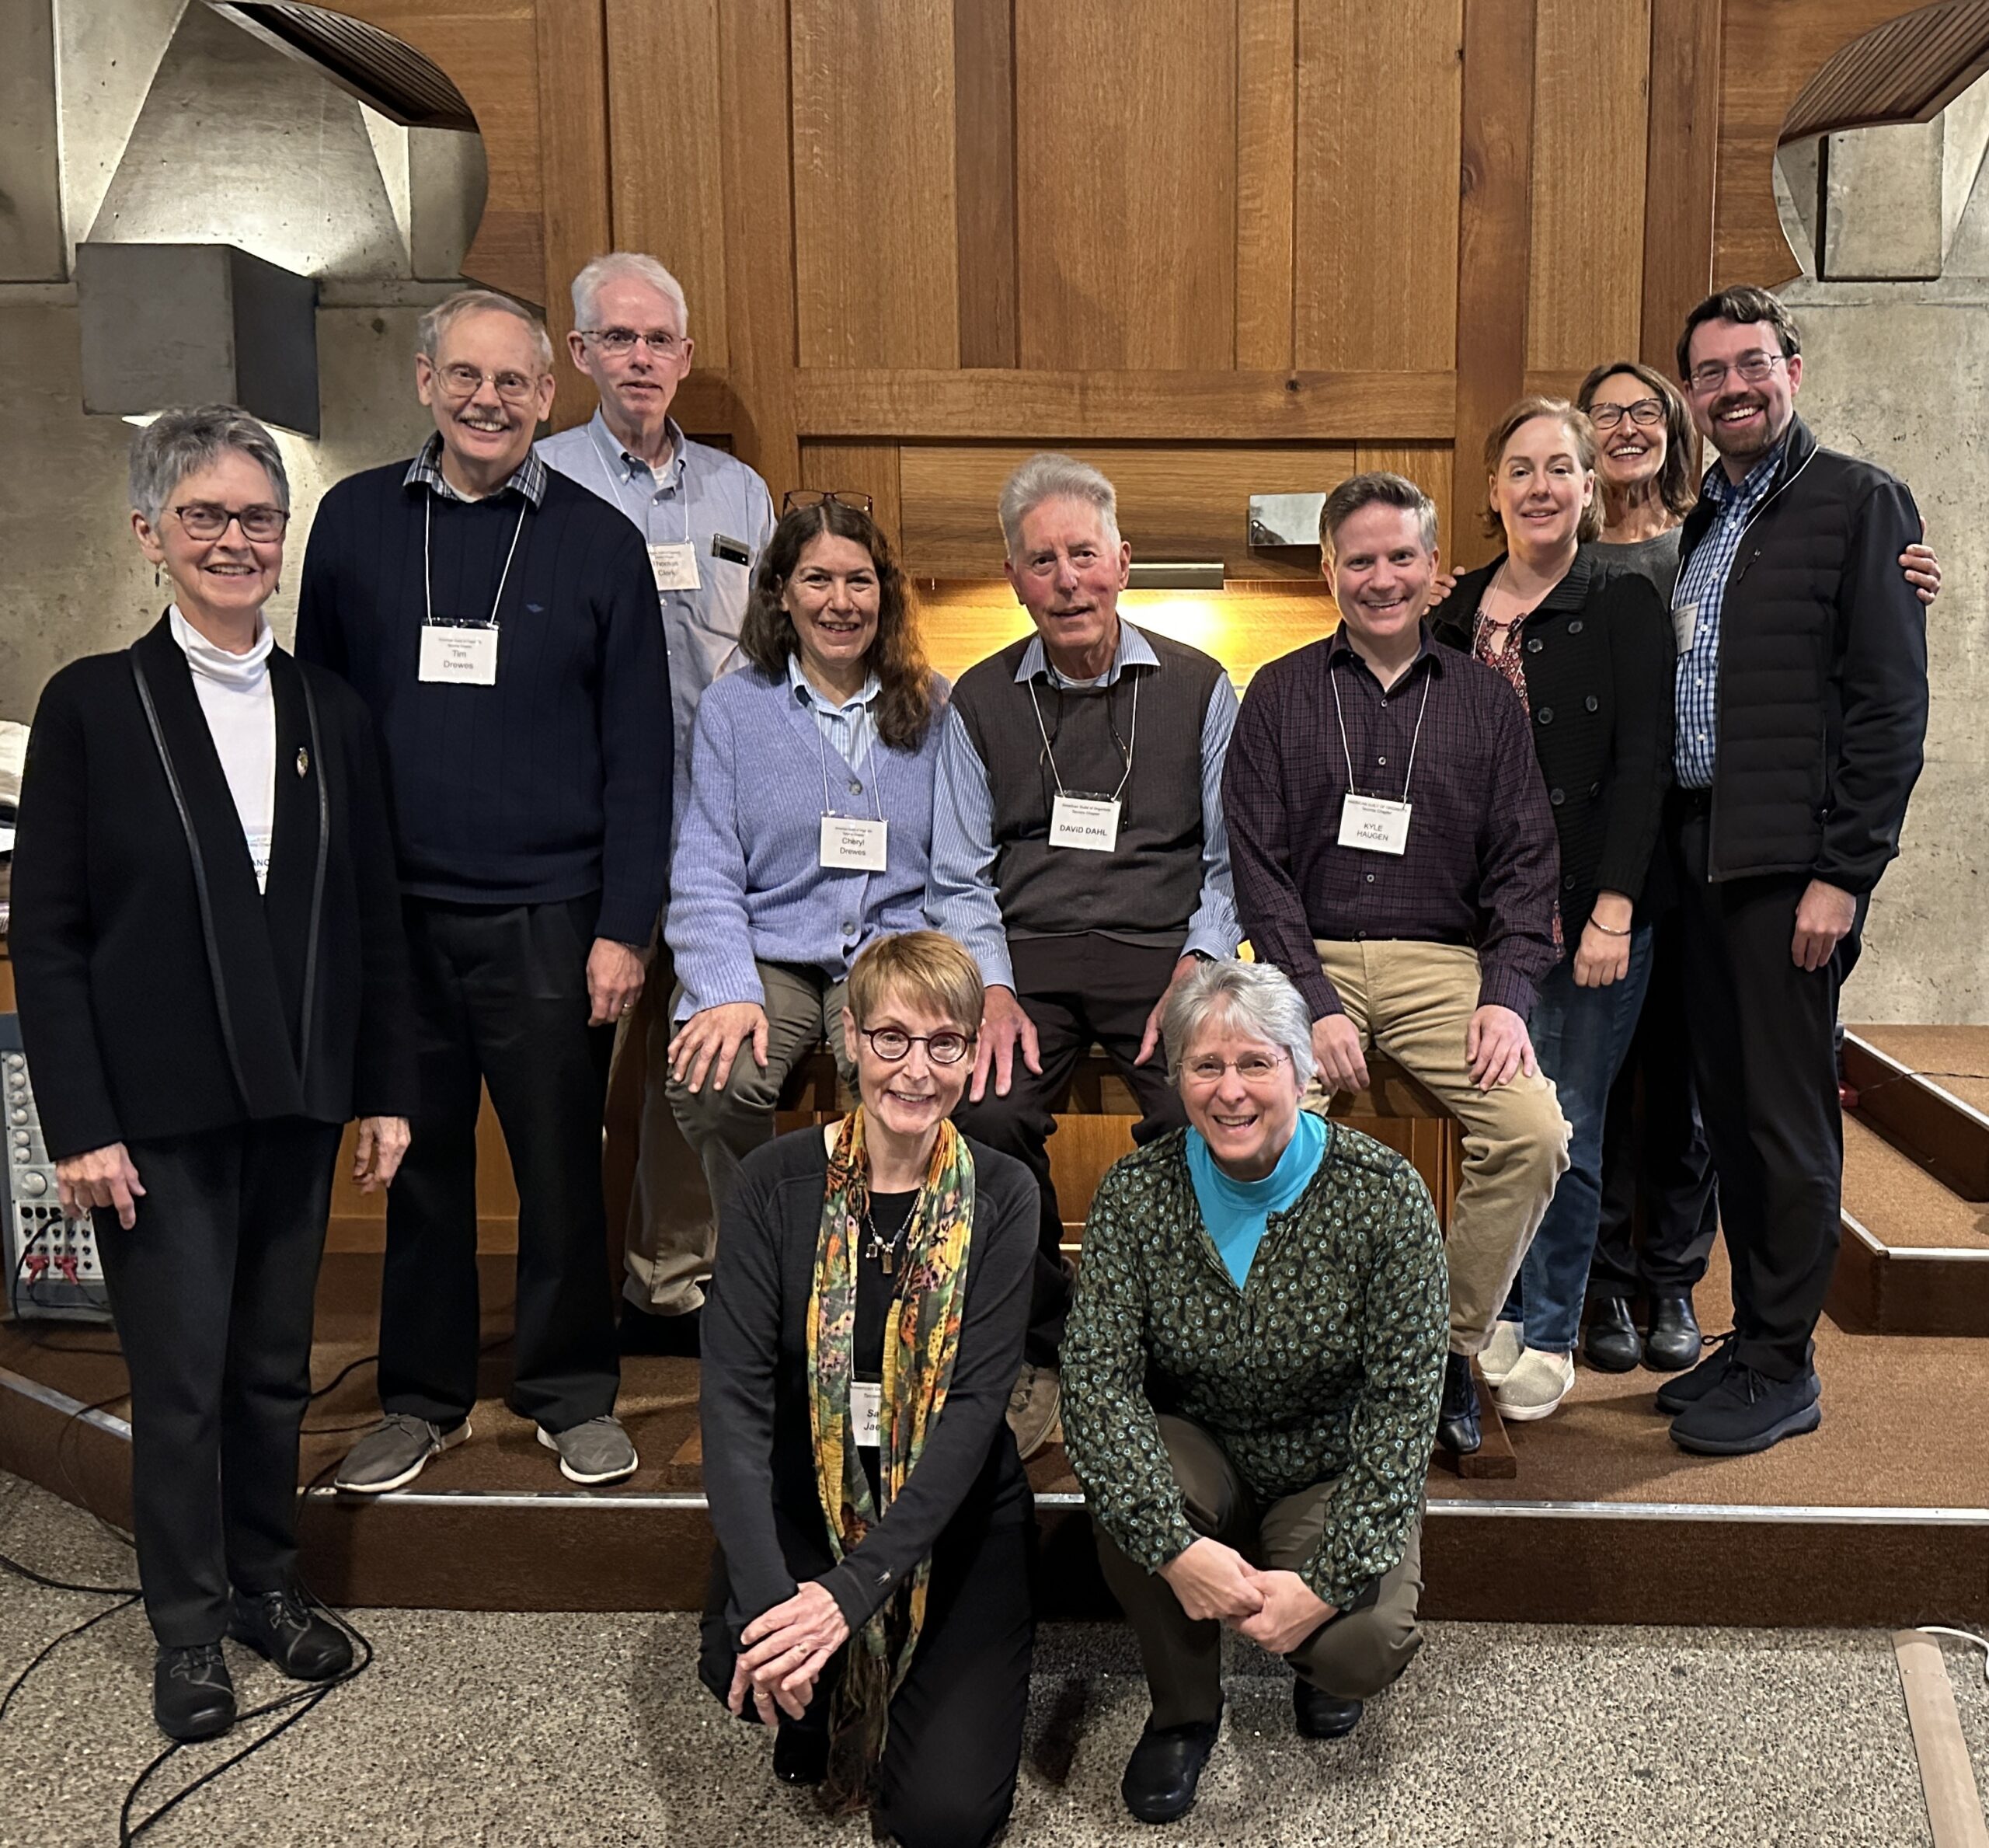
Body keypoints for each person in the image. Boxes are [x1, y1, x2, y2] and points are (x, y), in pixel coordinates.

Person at [11, 406, 416, 1742]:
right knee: (179, 1382)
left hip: (294, 1098)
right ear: (151, 534)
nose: (237, 540)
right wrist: (81, 1122)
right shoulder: (92, 705)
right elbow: (50, 933)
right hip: (157, 1115)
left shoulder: (328, 710)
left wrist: (387, 1086)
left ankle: (264, 1584)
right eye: (208, 517)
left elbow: (369, 915)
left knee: (270, 1374)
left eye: (258, 518)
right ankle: (185, 1627)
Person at [299, 288, 673, 1494]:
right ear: (424, 381)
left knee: (562, 1165)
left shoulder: (600, 541)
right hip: (395, 915)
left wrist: (625, 926)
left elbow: (640, 754)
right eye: (465, 376)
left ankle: (569, 1392)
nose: (487, 400)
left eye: (512, 382)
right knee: (417, 1163)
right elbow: (316, 720)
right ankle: (419, 1393)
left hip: (550, 917)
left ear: (545, 397)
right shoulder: (354, 524)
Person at [1576, 359, 1940, 1375]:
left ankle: (1676, 1279)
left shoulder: (1713, 531)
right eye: (1604, 415)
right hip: (1603, 857)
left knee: (1692, 1078)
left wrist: (1904, 578)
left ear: (1676, 422)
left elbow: (1832, 624)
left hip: (1716, 846)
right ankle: (1604, 1278)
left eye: (1645, 409)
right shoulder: (1556, 546)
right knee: (1602, 1078)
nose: (1626, 429)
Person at [1224, 471, 1569, 1459]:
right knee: (1262, 1138)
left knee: (1535, 1131)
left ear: (1432, 571)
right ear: (1329, 568)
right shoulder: (1280, 692)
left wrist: (1505, 996)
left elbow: (1525, 862)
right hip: (1305, 958)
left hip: (1438, 963)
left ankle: (1444, 1344)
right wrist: (1316, 1002)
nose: (1381, 578)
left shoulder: (1483, 702)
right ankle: (1307, 1358)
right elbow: (1259, 869)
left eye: (1400, 557)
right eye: (1360, 559)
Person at [1061, 958, 1444, 1828]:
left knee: (1359, 1643)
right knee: (1128, 1493)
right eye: (1206, 1065)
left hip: (1323, 1465)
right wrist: (1171, 1545)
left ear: (1303, 1071)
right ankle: (1184, 1711)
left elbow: (1403, 1407)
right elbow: (1096, 1383)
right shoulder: (1134, 1194)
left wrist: (1326, 1582)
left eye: (1256, 1063)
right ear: (1178, 1077)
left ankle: (1308, 1650)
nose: (1229, 1090)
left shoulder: (1385, 1196)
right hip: (1199, 1447)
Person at [1655, 286, 1928, 1455]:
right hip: (1699, 856)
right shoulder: (1706, 519)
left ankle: (1786, 1361)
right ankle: (1754, 1337)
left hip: (1787, 867)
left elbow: (1887, 706)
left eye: (1752, 363)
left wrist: (1844, 873)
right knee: (1727, 1112)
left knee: (1786, 1122)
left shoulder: (1859, 503)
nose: (1734, 387)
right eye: (1711, 373)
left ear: (1794, 369)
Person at [928, 452, 1240, 1456]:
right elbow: (959, 872)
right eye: (1041, 561)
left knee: (1202, 1113)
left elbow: (1232, 858)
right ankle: (1044, 1330)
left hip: (1163, 952)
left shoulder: (1199, 685)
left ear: (1122, 562)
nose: (1066, 579)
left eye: (1083, 555)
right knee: (985, 1112)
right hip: (1027, 956)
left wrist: (1197, 965)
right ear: (1015, 577)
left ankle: (1174, 1339)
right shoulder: (975, 700)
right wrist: (995, 989)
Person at [697, 932, 1036, 1848]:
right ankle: (801, 1673)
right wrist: (775, 1604)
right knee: (751, 1661)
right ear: (849, 1037)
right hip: (810, 1495)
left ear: (973, 1050)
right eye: (890, 1037)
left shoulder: (1005, 1192)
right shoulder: (775, 1181)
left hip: (953, 1519)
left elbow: (972, 1412)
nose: (915, 1069)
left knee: (942, 1821)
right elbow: (732, 1403)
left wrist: (848, 1593)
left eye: (943, 1043)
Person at [537, 252, 777, 1348]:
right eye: (617, 339)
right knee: (565, 1080)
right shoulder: (540, 480)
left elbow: (772, 656)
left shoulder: (740, 494)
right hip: (584, 835)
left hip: (718, 839)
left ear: (684, 356)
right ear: (580, 353)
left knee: (697, 1071)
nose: (640, 359)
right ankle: (564, 1297)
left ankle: (669, 1282)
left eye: (659, 341)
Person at [1432, 398, 1673, 1423]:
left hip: (1587, 911)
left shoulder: (1621, 600)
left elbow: (1644, 765)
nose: (1539, 486)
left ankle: (1549, 1324)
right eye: (1519, 468)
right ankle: (1491, 1310)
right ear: (1492, 491)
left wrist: (1617, 906)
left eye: (1559, 468)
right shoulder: (1454, 613)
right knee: (1500, 1121)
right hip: (1472, 919)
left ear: (1588, 486)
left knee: (1565, 1120)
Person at [666, 497, 946, 1249]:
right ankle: (771, 1250)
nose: (841, 603)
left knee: (900, 1082)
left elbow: (957, 861)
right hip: (773, 953)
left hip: (893, 950)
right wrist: (723, 990)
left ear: (885, 593)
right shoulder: (733, 709)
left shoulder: (934, 704)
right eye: (817, 579)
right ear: (782, 591)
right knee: (713, 1080)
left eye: (860, 581)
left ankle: (876, 1262)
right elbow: (705, 870)